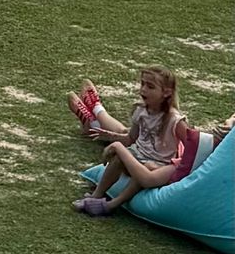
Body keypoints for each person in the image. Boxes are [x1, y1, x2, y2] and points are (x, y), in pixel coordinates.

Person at [73, 67, 187, 215]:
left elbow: (192, 145)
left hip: (158, 163)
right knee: (120, 157)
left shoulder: (175, 120)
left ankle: (113, 204)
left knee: (147, 167)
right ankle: (97, 194)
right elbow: (131, 138)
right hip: (138, 155)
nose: (143, 90)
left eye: (150, 86)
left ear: (166, 92)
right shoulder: (140, 111)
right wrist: (110, 136)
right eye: (142, 84)